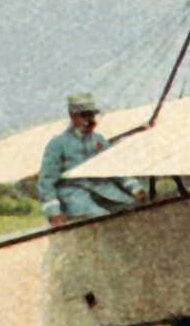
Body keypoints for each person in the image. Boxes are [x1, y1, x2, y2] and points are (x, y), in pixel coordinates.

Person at [38, 93, 146, 227]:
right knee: (99, 219)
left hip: (105, 192)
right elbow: (45, 183)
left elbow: (115, 167)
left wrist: (135, 188)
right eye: (85, 115)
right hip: (75, 199)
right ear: (73, 116)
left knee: (132, 210)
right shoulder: (58, 144)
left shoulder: (98, 140)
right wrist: (54, 213)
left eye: (92, 115)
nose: (90, 120)